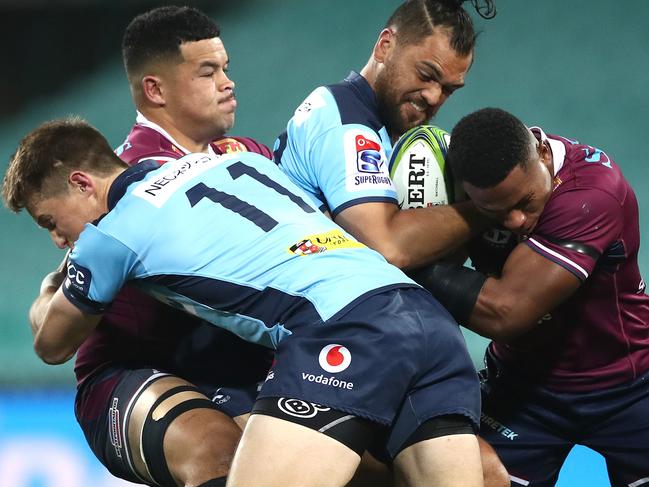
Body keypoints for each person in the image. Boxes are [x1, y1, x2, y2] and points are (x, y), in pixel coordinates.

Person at [4, 117, 485, 487]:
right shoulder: (239, 163)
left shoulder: (111, 234)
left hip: (343, 333)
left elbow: (52, 343)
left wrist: (52, 287)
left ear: (82, 183)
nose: (56, 237)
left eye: (49, 220)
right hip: (426, 320)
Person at [28, 6, 274, 487]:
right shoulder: (130, 183)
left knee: (362, 464)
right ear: (155, 90)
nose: (228, 83)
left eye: (225, 68)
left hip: (229, 369)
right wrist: (48, 295)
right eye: (208, 72)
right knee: (216, 453)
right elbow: (54, 332)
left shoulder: (247, 155)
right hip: (127, 374)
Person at [274, 0, 507, 484]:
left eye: (449, 88)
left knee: (486, 474)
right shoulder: (347, 122)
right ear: (385, 44)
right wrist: (491, 206)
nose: (434, 96)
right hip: (315, 343)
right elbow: (389, 245)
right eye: (427, 74)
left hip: (372, 337)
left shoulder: (389, 131)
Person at [420, 107, 649, 486]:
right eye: (494, 211)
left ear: (543, 154)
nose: (515, 222)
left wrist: (400, 259)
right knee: (442, 471)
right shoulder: (467, 189)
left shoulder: (592, 193)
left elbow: (506, 312)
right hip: (522, 388)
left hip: (630, 386)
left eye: (525, 203)